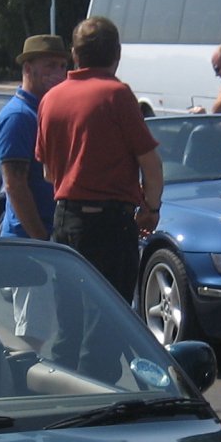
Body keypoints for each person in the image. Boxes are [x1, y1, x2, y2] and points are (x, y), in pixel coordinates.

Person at [36, 16, 162, 301]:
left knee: (69, 315)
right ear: (116, 55)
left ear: (75, 55)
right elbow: (151, 166)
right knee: (109, 319)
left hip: (65, 221)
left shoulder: (50, 99)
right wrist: (151, 209)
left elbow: (48, 174)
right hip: (109, 226)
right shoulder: (116, 95)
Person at [0, 33, 71, 344]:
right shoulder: (18, 116)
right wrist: (42, 240)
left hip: (47, 241)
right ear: (28, 67)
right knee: (32, 340)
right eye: (50, 65)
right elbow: (15, 185)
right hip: (28, 245)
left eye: (63, 66)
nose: (59, 73)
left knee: (57, 333)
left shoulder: (47, 110)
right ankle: (21, 388)